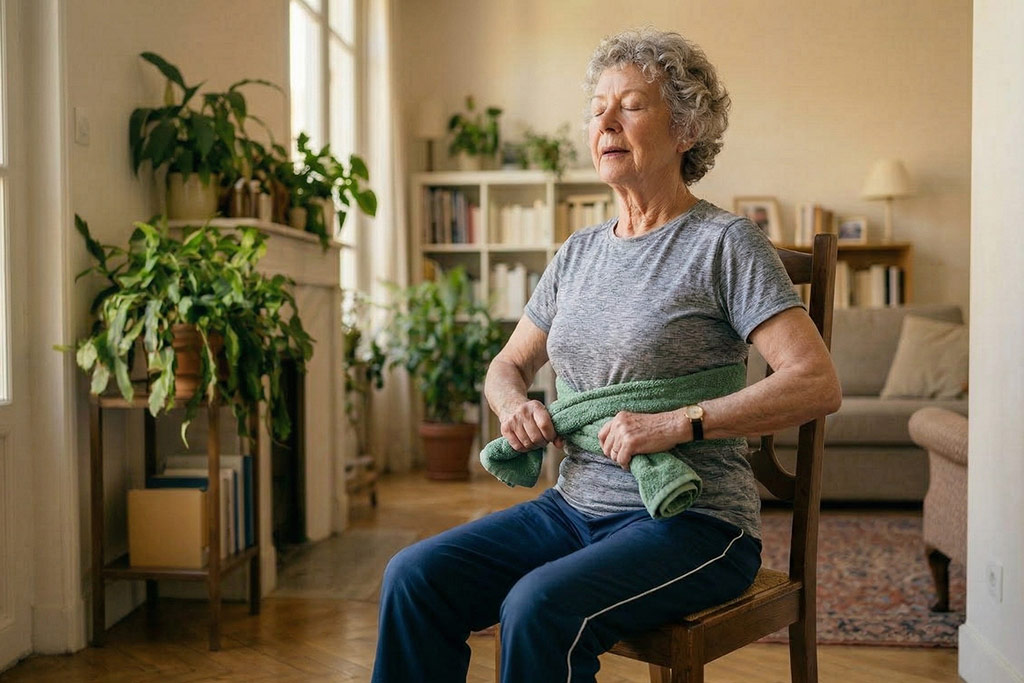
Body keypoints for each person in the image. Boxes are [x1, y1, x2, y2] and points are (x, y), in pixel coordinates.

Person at [371, 28, 841, 683]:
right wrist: (515, 406)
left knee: (538, 607)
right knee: (414, 577)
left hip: (696, 519)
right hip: (573, 506)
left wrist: (684, 421)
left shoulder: (725, 244)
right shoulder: (577, 254)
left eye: (631, 106)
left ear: (686, 129)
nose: (606, 122)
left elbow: (815, 382)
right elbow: (506, 367)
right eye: (597, 109)